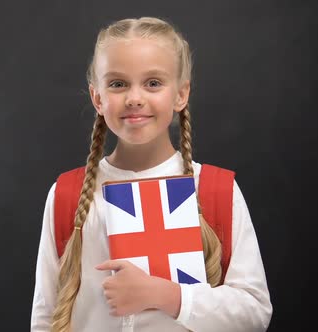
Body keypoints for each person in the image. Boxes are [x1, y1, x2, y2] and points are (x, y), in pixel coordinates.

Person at [30, 17, 272, 332]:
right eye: (117, 84)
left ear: (181, 94)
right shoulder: (68, 195)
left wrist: (167, 296)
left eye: (153, 83)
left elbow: (254, 311)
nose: (134, 98)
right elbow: (45, 315)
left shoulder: (216, 191)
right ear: (97, 98)